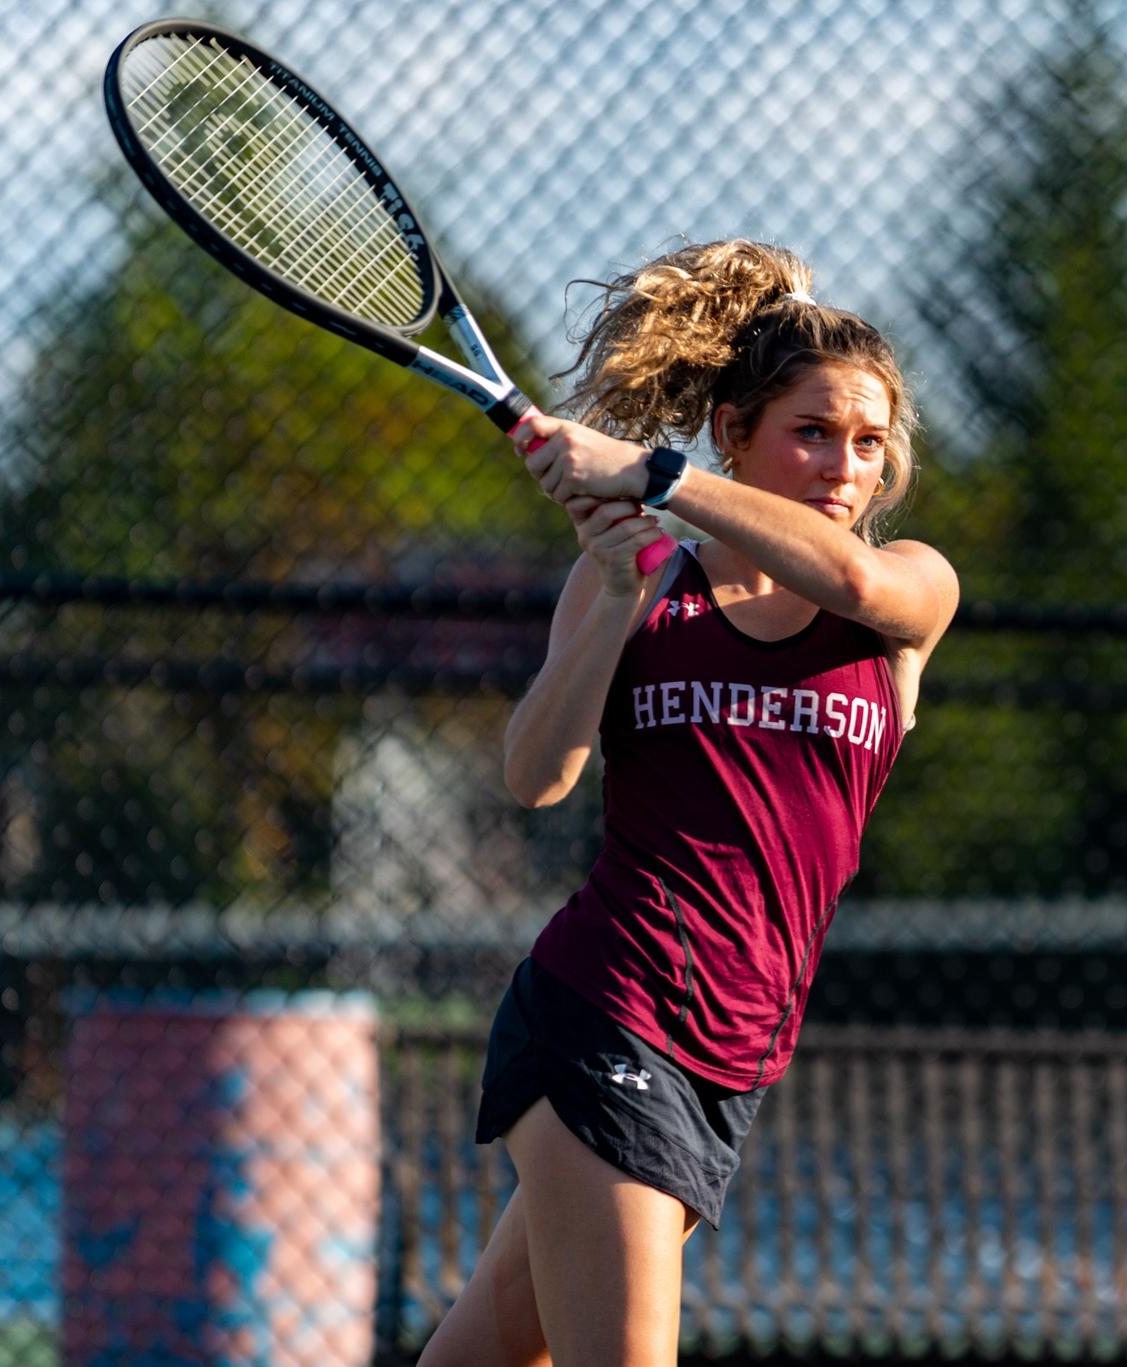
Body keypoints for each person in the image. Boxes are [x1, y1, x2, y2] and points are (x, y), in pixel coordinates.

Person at [416, 239, 958, 1367]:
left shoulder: (904, 589)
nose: (842, 467)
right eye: (810, 432)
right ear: (734, 430)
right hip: (609, 1009)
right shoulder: (648, 574)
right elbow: (535, 773)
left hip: (733, 1051)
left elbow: (851, 575)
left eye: (866, 442)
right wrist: (614, 587)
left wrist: (650, 472)